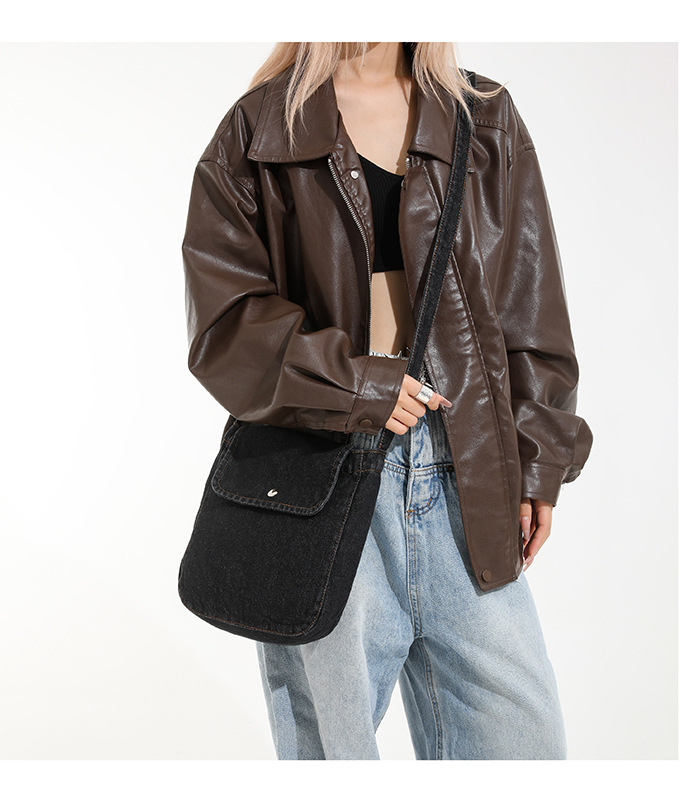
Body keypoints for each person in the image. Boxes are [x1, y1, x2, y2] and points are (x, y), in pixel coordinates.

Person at [181, 42, 593, 760]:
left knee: (524, 745)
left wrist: (540, 459)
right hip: (322, 479)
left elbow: (530, 303)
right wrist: (358, 385)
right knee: (333, 756)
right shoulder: (261, 128)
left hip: (466, 470)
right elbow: (225, 326)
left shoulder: (482, 118)